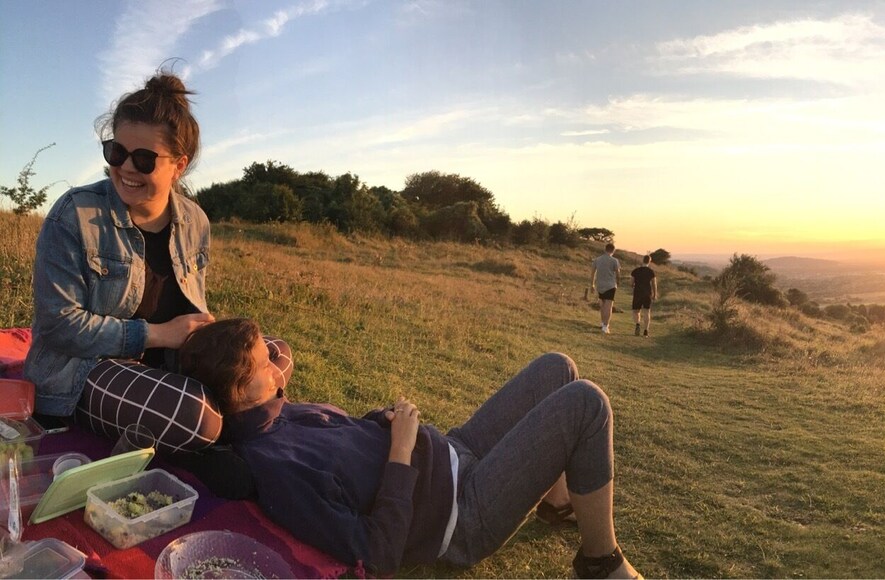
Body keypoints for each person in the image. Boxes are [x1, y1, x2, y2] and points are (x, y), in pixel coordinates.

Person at [179, 318, 643, 579]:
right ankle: (600, 562)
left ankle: (559, 502)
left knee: (557, 367)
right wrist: (400, 451)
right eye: (265, 364)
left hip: (453, 453)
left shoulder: (280, 410)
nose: (278, 367)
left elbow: (345, 449)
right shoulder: (275, 468)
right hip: (460, 515)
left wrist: (383, 421)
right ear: (241, 390)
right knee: (586, 403)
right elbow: (375, 552)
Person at [23, 70, 292, 496]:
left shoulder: (195, 220)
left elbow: (186, 301)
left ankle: (208, 436)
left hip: (165, 365)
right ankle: (213, 439)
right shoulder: (75, 214)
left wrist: (204, 333)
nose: (126, 168)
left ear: (179, 165)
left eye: (144, 159)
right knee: (196, 415)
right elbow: (58, 324)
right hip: (85, 371)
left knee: (275, 352)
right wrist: (156, 334)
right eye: (116, 152)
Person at [590, 243, 621, 334]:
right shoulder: (614, 260)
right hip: (610, 285)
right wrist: (618, 282)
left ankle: (603, 323)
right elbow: (618, 273)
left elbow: (593, 273)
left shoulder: (597, 260)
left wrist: (592, 284)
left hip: (600, 285)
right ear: (613, 251)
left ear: (605, 249)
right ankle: (606, 326)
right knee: (609, 306)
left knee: (602, 305)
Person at [630, 255, 658, 337]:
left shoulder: (635, 271)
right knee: (647, 311)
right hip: (647, 293)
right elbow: (654, 284)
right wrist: (655, 294)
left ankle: (638, 324)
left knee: (636, 311)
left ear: (642, 260)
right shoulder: (651, 272)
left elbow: (631, 283)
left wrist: (634, 286)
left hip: (637, 293)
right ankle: (646, 331)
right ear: (649, 261)